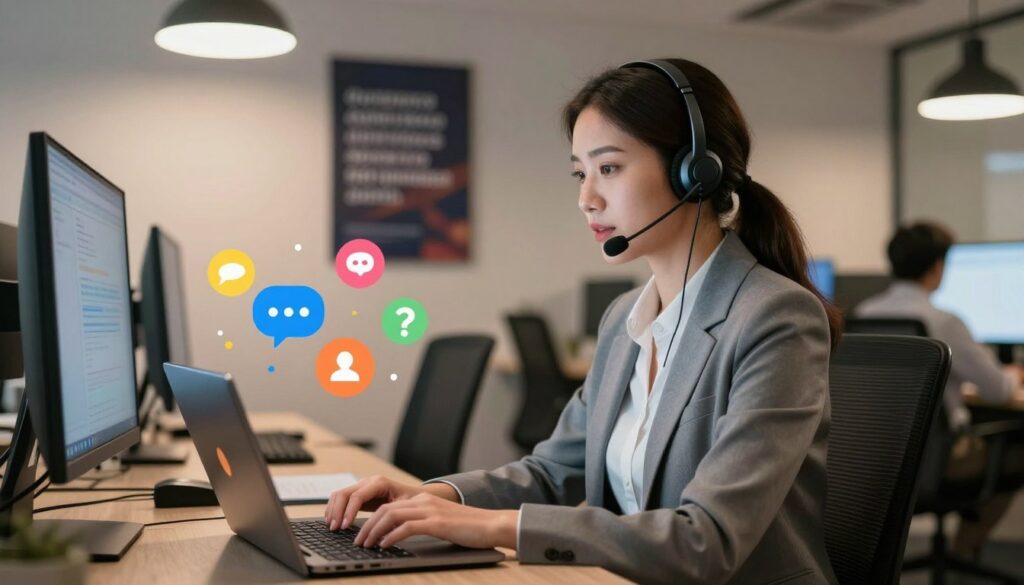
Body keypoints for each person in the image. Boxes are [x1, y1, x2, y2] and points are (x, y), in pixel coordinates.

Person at [324, 58, 843, 584]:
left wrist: (493, 526)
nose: (586, 198)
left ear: (694, 171)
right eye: (580, 172)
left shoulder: (775, 319)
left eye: (609, 168)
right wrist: (434, 496)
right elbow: (554, 473)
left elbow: (705, 540)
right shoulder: (625, 321)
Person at [856, 221, 1023, 559]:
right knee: (1019, 449)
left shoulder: (864, 314)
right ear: (937, 266)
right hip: (937, 461)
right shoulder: (943, 321)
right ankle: (965, 552)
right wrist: (1013, 375)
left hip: (877, 461)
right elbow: (997, 391)